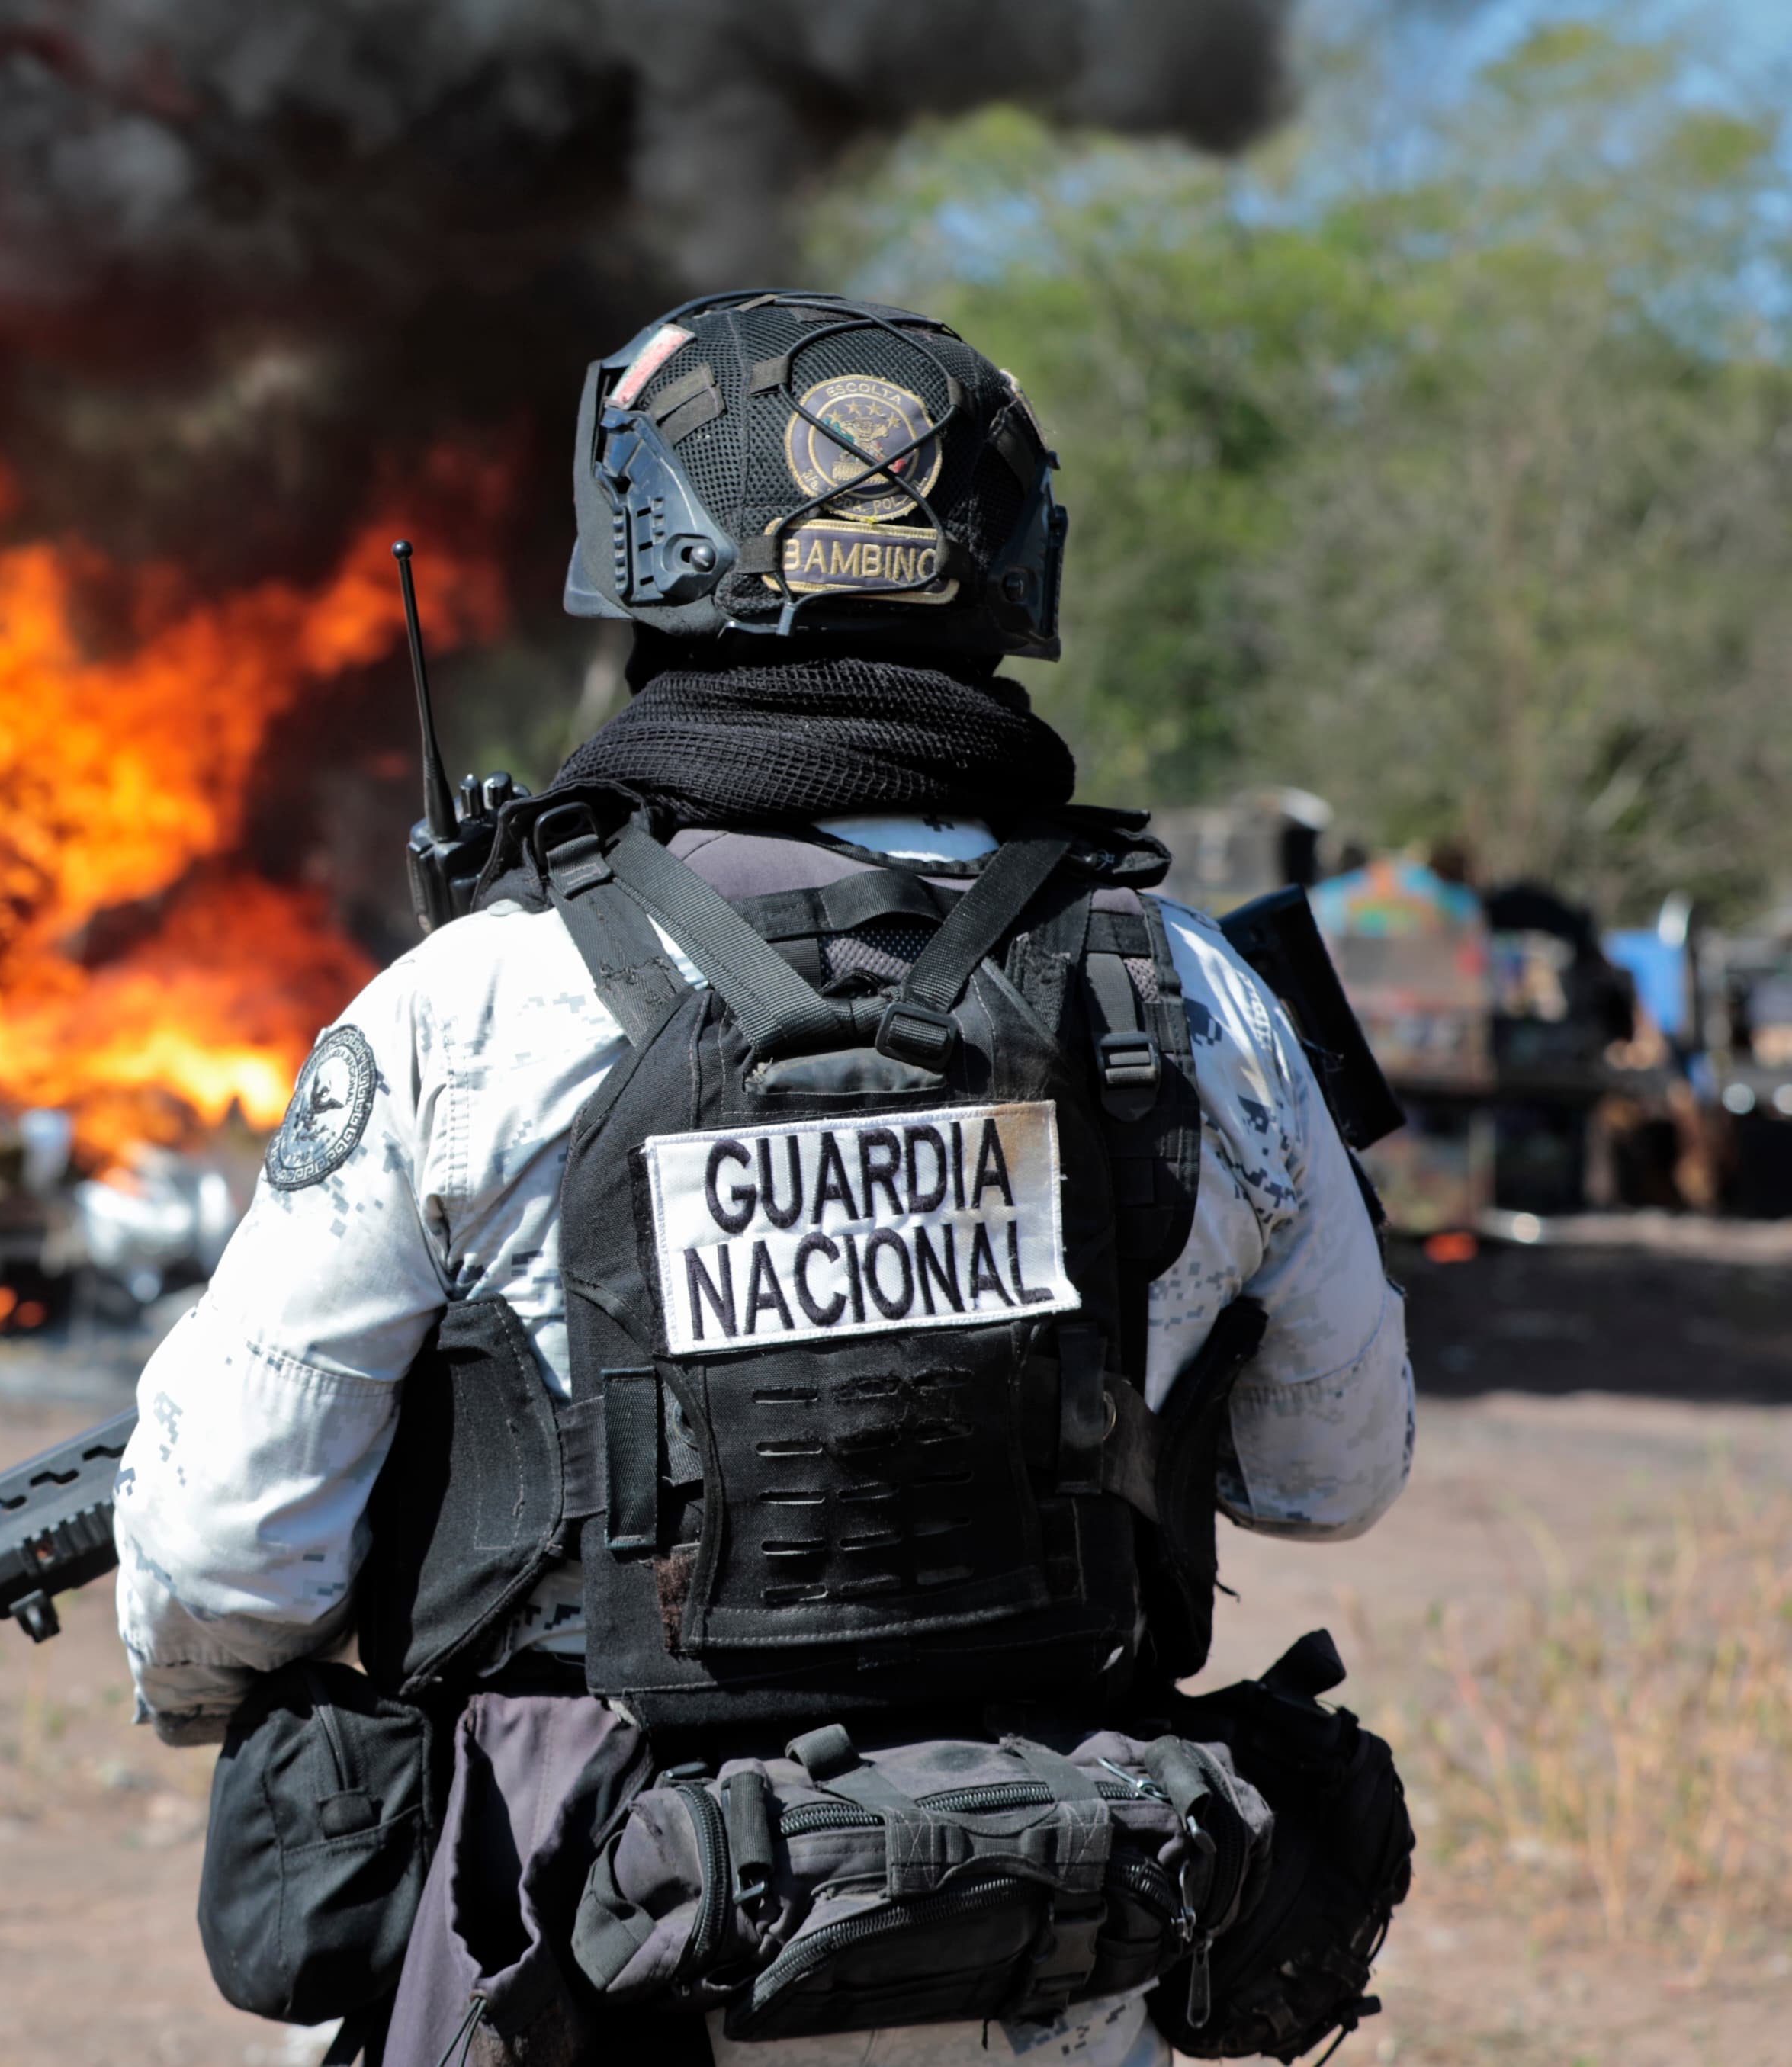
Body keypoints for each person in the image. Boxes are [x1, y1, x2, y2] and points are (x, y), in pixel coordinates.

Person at [113, 291, 1413, 2067]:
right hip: (1054, 1948)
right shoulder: (1195, 994)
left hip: (585, 1963)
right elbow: (1328, 1478)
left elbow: (225, 1555)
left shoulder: (468, 1008)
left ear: (643, 551)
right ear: (1005, 558)